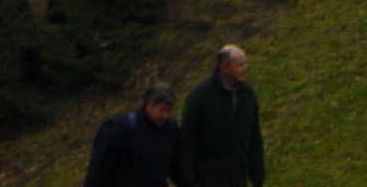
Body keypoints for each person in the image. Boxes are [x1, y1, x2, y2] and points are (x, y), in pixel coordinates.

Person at [176, 45, 264, 187]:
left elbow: (254, 136)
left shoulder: (247, 95)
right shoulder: (201, 96)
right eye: (240, 65)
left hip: (237, 177)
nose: (244, 68)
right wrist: (188, 179)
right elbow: (188, 138)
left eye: (245, 64)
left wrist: (257, 173)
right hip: (207, 178)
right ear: (224, 67)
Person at [85, 83, 183, 187]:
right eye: (161, 110)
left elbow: (176, 168)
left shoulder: (170, 130)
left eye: (168, 111)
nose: (165, 115)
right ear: (148, 104)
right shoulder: (121, 128)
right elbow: (98, 169)